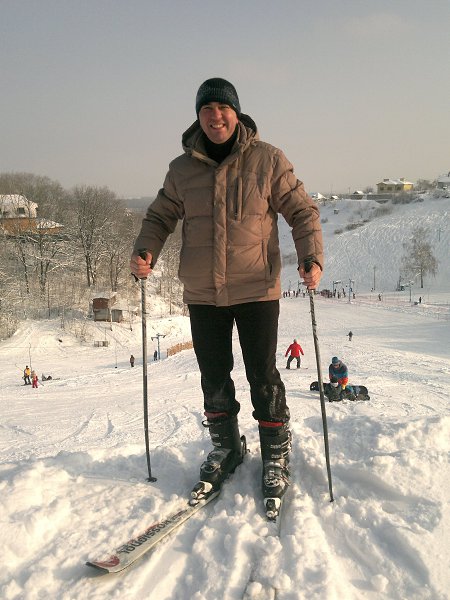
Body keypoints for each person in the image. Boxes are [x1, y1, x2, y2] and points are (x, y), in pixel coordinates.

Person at [130, 77, 323, 508]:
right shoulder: (181, 170)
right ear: (198, 116)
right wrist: (145, 250)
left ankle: (275, 451)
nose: (215, 117)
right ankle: (227, 447)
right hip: (203, 292)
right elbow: (160, 216)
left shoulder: (268, 160)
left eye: (223, 108)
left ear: (236, 113)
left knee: (262, 375)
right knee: (214, 375)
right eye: (207, 109)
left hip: (257, 288)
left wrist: (311, 257)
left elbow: (302, 211)